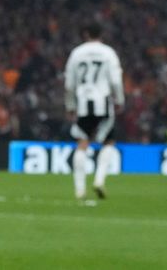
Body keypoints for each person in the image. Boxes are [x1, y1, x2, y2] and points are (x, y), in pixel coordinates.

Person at [64, 23, 124, 201]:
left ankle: (80, 189)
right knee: (109, 142)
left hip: (83, 103)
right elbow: (116, 81)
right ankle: (99, 180)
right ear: (101, 34)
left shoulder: (76, 53)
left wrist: (70, 105)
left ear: (85, 34)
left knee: (82, 143)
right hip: (103, 102)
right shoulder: (108, 53)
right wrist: (119, 100)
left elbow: (69, 84)